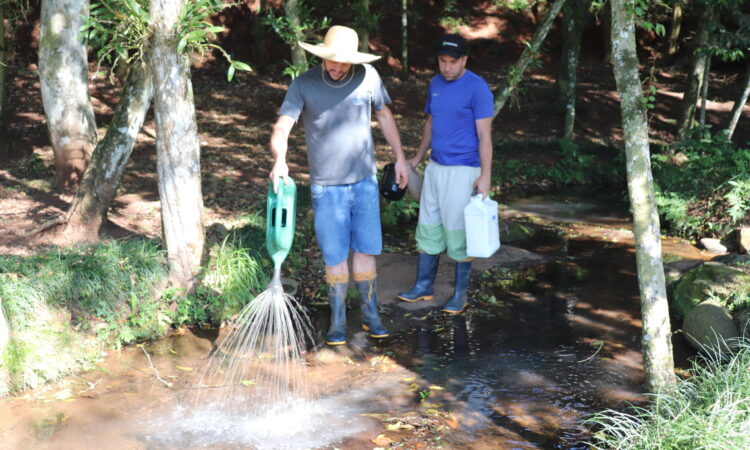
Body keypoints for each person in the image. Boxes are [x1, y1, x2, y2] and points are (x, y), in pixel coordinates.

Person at [269, 25, 408, 346]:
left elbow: (385, 116)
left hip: (364, 184)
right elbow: (282, 126)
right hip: (326, 187)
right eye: (332, 60)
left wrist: (399, 158)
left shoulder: (369, 77)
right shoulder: (303, 84)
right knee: (334, 257)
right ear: (322, 56)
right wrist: (279, 159)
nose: (337, 67)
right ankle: (338, 322)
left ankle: (372, 317)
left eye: (344, 62)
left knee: (365, 251)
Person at [397, 34, 494, 314]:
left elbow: (485, 135)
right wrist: (417, 157)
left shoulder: (478, 88)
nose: (447, 67)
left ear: (464, 60)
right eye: (443, 61)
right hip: (436, 167)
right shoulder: (435, 83)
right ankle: (423, 286)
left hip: (464, 170)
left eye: (453, 62)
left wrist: (485, 176)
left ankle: (459, 294)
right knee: (427, 225)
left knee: (458, 231)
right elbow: (431, 122)